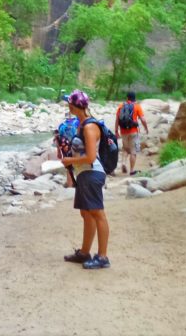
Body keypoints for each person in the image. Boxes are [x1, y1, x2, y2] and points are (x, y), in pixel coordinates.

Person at [61, 89, 110, 270]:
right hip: (84, 174)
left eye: (69, 103)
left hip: (91, 173)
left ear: (75, 106)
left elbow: (90, 157)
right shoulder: (81, 124)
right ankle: (84, 252)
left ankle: (103, 257)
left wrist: (70, 160)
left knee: (97, 213)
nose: (68, 106)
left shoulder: (89, 127)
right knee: (86, 213)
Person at [114, 91, 149, 176]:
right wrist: (146, 128)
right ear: (135, 98)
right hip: (133, 132)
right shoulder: (137, 106)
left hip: (123, 132)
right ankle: (132, 170)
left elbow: (117, 120)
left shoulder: (121, 106)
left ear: (127, 98)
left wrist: (116, 131)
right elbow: (143, 119)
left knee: (125, 148)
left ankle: (123, 163)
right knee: (133, 151)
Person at [54, 111, 80, 189]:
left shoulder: (62, 126)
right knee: (79, 164)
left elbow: (57, 139)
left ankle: (70, 184)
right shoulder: (78, 122)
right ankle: (80, 183)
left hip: (65, 148)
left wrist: (58, 151)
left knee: (69, 167)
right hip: (77, 146)